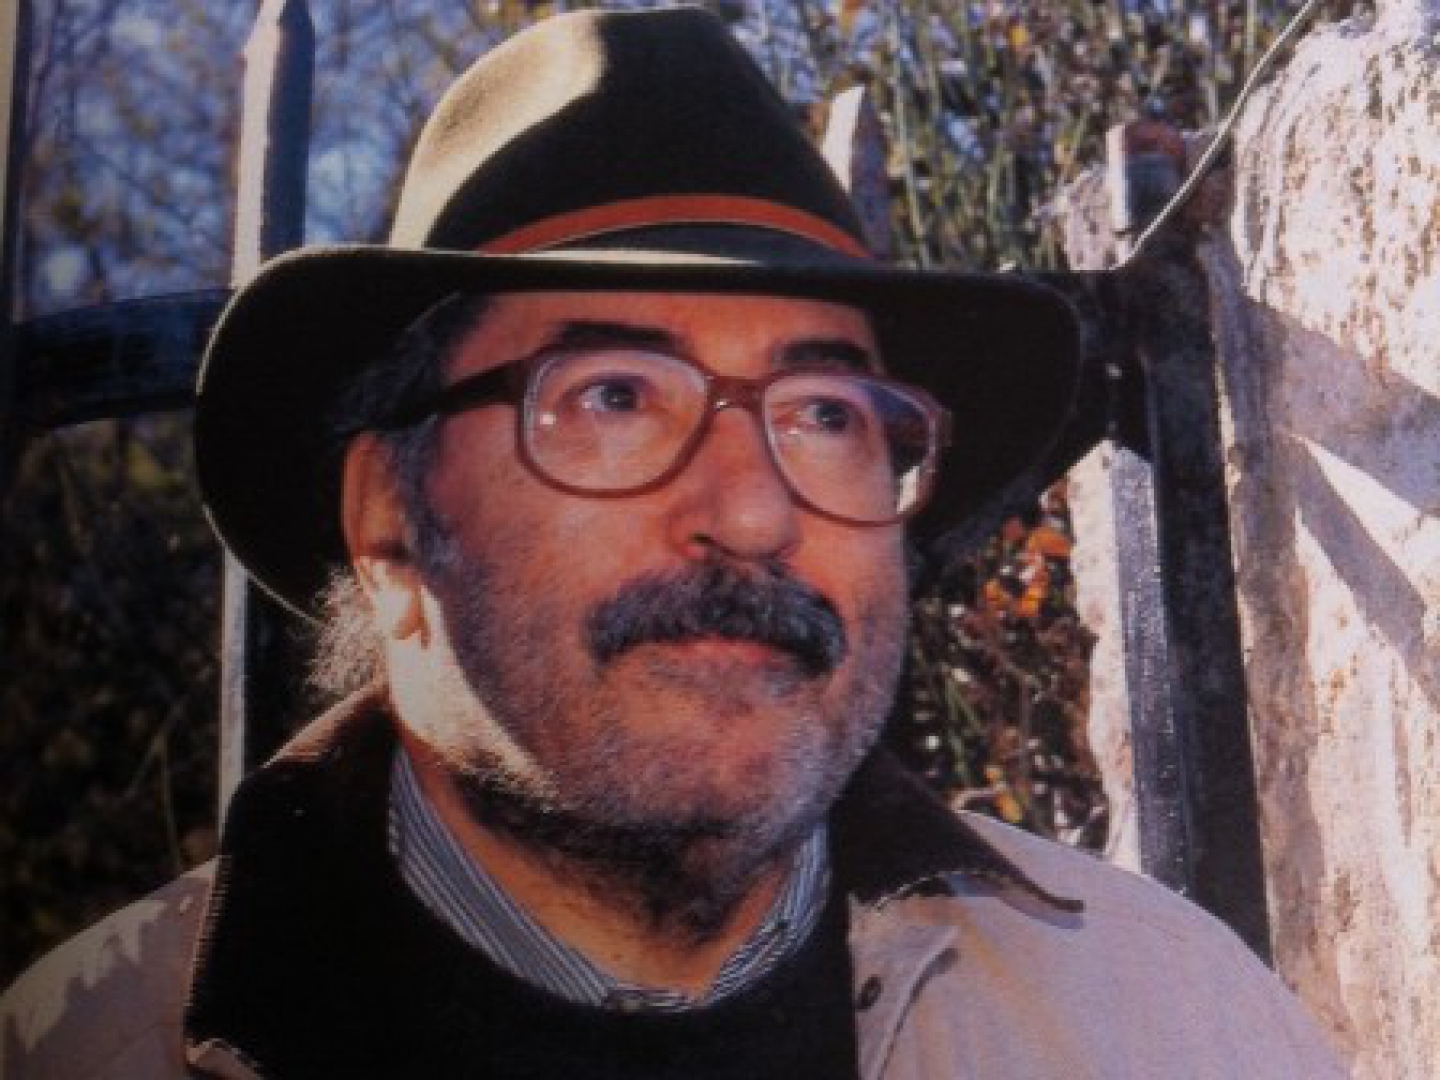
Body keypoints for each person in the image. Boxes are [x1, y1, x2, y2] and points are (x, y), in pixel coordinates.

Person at [1, 7, 1345, 1078]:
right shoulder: (80, 1049)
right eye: (613, 398)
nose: (753, 514)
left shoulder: (1169, 1024)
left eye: (826, 414)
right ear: (389, 514)